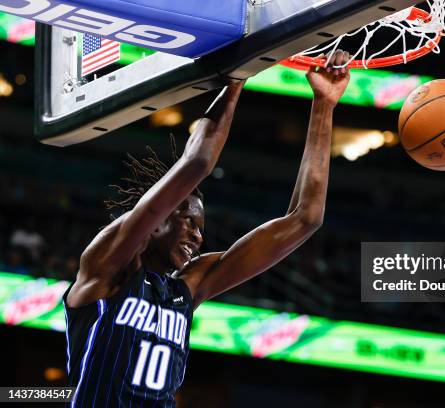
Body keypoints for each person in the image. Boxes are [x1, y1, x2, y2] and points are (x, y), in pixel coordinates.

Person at [63, 50, 351, 407]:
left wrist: (324, 104)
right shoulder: (105, 266)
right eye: (190, 223)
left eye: (201, 228)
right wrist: (236, 78)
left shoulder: (188, 287)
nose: (199, 237)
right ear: (159, 222)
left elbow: (305, 218)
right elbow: (197, 162)